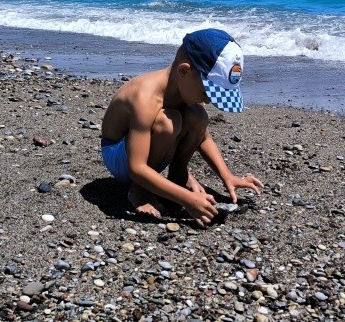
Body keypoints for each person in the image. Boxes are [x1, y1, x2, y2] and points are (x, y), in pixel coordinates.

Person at [100, 28, 263, 227]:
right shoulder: (145, 97)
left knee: (198, 115)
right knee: (169, 122)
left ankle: (178, 177)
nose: (209, 101)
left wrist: (227, 176)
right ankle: (140, 191)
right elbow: (136, 168)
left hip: (147, 154)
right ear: (184, 71)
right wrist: (187, 199)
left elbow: (203, 138)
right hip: (121, 157)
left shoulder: (183, 87)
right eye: (207, 92)